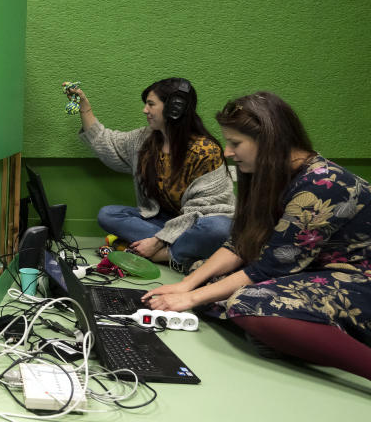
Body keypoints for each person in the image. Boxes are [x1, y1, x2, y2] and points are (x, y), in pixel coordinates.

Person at [144, 92, 371, 380]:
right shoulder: (268, 173)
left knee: (246, 302)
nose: (228, 152)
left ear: (269, 141)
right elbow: (241, 241)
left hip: (359, 280)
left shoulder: (322, 184)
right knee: (204, 272)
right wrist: (186, 286)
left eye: (236, 143)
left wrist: (190, 298)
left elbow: (270, 267)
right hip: (312, 269)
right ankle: (293, 333)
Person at [67, 78, 234, 272]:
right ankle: (187, 250)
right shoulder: (144, 139)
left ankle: (166, 255)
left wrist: (157, 242)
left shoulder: (205, 151)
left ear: (175, 108)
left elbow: (206, 211)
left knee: (220, 229)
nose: (145, 110)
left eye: (151, 104)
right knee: (108, 214)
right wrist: (84, 108)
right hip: (161, 220)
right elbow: (107, 143)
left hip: (197, 221)